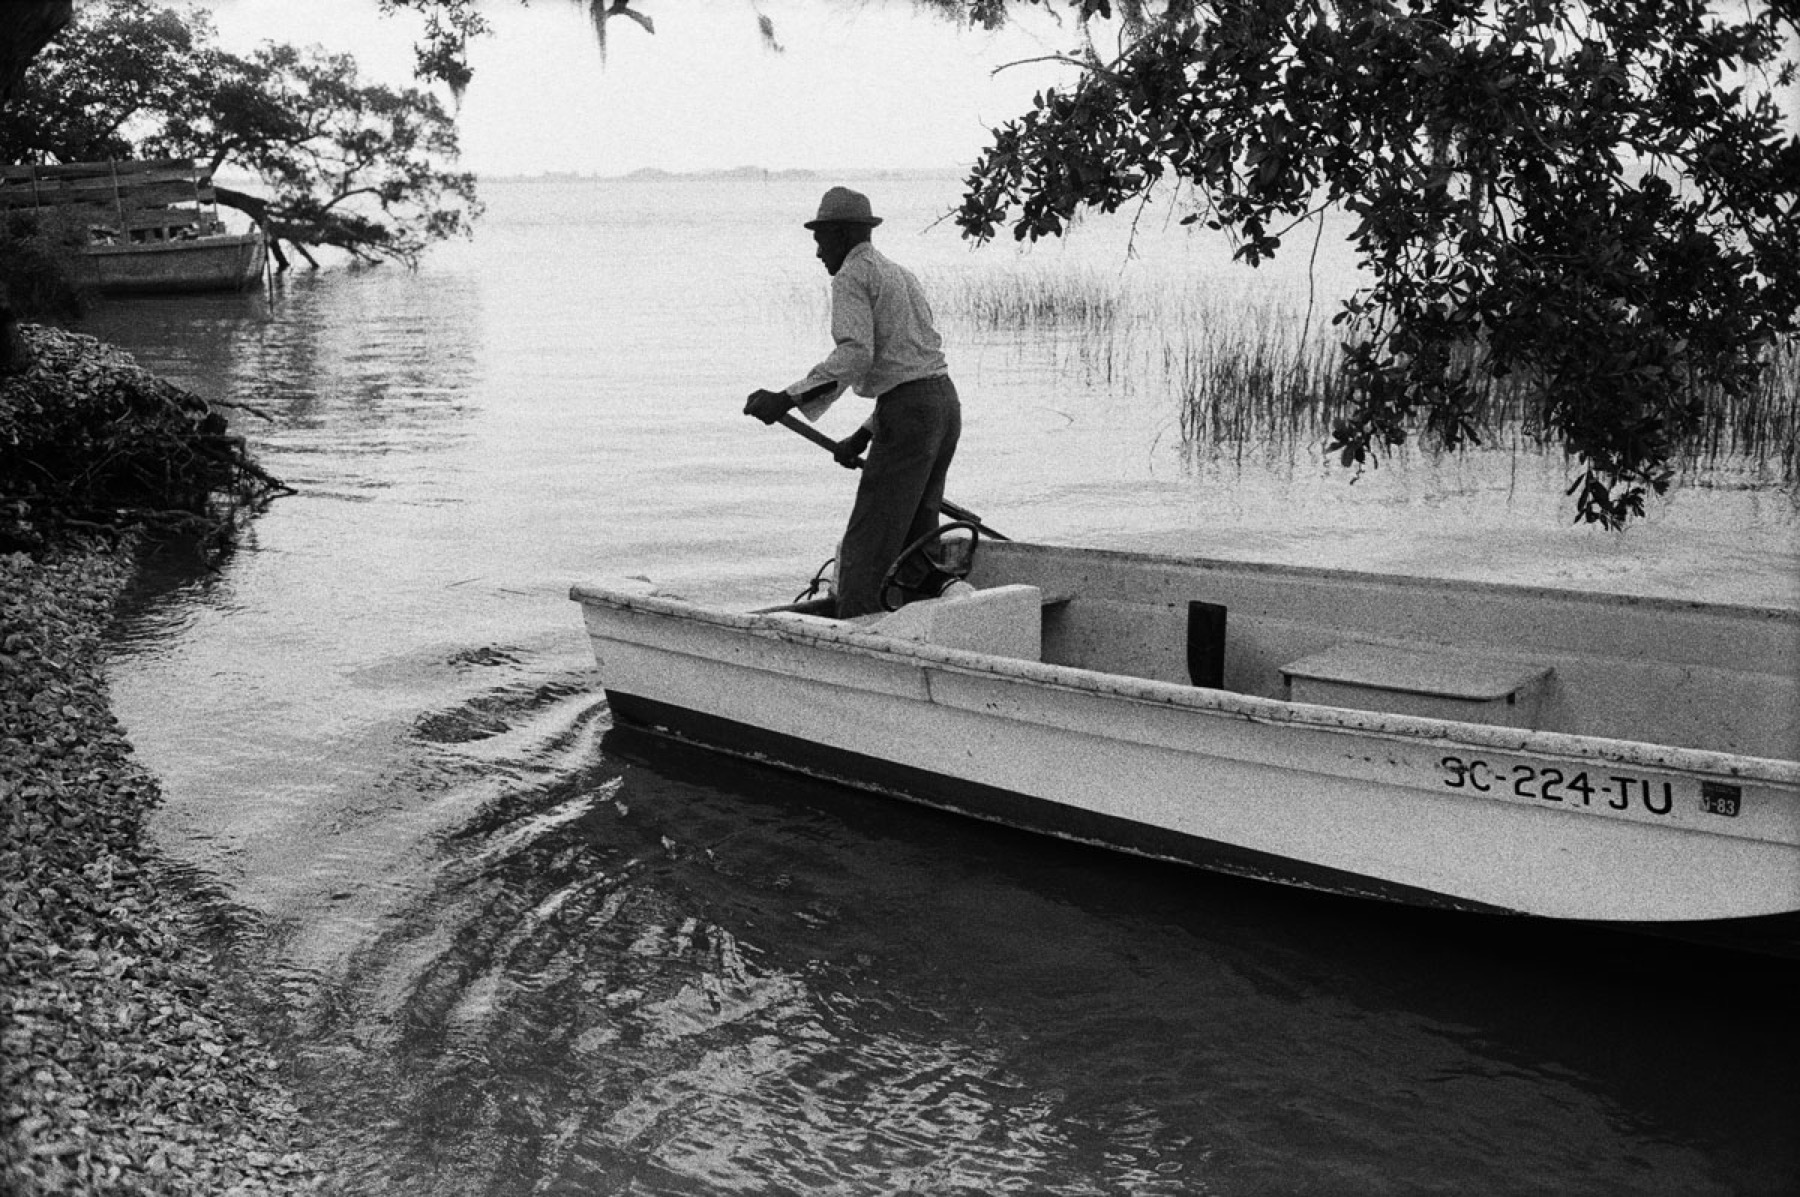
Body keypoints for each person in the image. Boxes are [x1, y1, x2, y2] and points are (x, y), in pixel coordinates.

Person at [744, 186, 962, 618]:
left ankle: (858, 629)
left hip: (911, 412)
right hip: (942, 405)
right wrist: (862, 437)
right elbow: (909, 369)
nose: (819, 252)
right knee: (918, 533)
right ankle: (928, 618)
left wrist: (785, 399)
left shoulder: (852, 275)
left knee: (869, 541)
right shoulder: (899, 273)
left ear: (843, 234)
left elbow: (856, 353)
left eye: (821, 240)